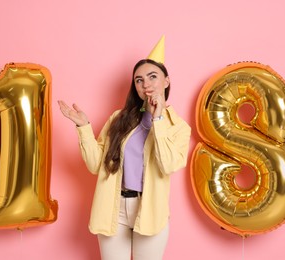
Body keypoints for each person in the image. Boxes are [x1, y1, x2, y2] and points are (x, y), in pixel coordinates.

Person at [58, 36, 191, 260]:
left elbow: (168, 164)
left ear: (166, 81)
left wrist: (157, 120)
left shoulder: (178, 128)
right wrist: (84, 127)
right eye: (139, 80)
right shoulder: (118, 119)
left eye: (152, 77)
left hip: (150, 210)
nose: (146, 84)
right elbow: (95, 165)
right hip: (114, 207)